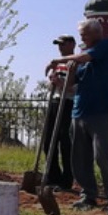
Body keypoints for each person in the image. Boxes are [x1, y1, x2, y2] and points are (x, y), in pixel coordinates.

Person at [45, 18, 108, 209]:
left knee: (102, 157)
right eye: (81, 34)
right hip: (79, 113)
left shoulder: (106, 46)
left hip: (100, 112)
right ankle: (88, 195)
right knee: (79, 158)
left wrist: (58, 60)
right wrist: (59, 80)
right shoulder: (83, 59)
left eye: (84, 34)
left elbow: (84, 58)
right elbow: (71, 85)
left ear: (96, 33)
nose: (82, 37)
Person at [42, 34, 76, 189]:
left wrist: (63, 84)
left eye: (63, 44)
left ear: (71, 45)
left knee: (65, 142)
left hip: (68, 102)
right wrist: (53, 82)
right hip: (55, 101)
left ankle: (66, 179)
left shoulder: (76, 63)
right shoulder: (57, 64)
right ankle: (52, 176)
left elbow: (77, 87)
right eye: (58, 45)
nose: (60, 47)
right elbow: (51, 85)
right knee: (48, 141)